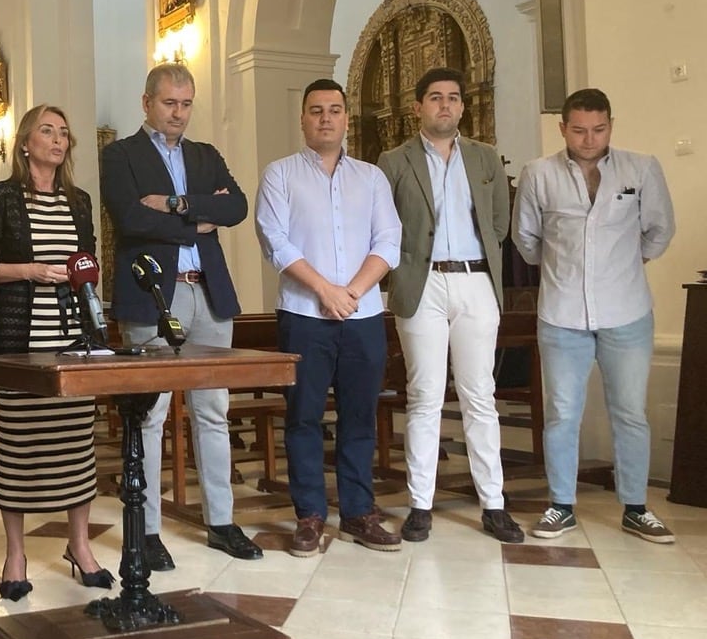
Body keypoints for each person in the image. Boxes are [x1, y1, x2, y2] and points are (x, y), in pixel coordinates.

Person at [100, 62, 261, 569]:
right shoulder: (120, 155)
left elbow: (236, 207)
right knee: (150, 416)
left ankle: (221, 521)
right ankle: (146, 531)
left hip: (208, 295)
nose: (178, 113)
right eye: (169, 103)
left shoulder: (205, 155)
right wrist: (198, 221)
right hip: (153, 295)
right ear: (146, 102)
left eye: (186, 104)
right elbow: (129, 218)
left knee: (213, 412)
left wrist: (173, 203)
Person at [512, 88, 676, 543]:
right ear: (563, 127)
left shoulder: (640, 168)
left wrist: (622, 265)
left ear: (611, 126)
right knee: (562, 412)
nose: (589, 139)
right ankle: (560, 505)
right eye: (580, 130)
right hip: (562, 313)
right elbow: (526, 239)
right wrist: (568, 268)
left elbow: (660, 230)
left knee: (630, 412)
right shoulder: (538, 174)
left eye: (599, 129)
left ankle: (637, 507)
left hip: (627, 311)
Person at [0, 105, 114, 600]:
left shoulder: (80, 200)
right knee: (20, 446)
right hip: (20, 339)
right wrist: (29, 270)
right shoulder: (3, 197)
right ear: (25, 142)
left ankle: (79, 546)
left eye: (64, 133)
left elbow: (87, 265)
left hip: (73, 339)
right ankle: (16, 553)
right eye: (46, 131)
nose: (57, 139)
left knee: (75, 445)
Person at [255, 78, 403, 557]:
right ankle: (310, 516)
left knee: (360, 416)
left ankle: (359, 512)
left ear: (345, 116)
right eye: (316, 110)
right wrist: (324, 290)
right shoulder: (280, 174)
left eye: (334, 110)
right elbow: (276, 241)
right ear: (302, 118)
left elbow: (389, 241)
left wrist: (354, 292)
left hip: (363, 314)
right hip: (304, 315)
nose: (325, 118)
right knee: (304, 418)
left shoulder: (371, 177)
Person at [377, 67, 523, 544]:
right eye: (435, 97)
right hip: (422, 285)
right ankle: (421, 505)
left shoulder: (482, 158)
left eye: (453, 98)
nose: (445, 105)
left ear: (462, 106)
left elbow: (499, 223)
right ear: (417, 106)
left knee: (480, 394)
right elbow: (386, 225)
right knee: (425, 395)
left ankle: (494, 505)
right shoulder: (393, 160)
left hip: (476, 280)